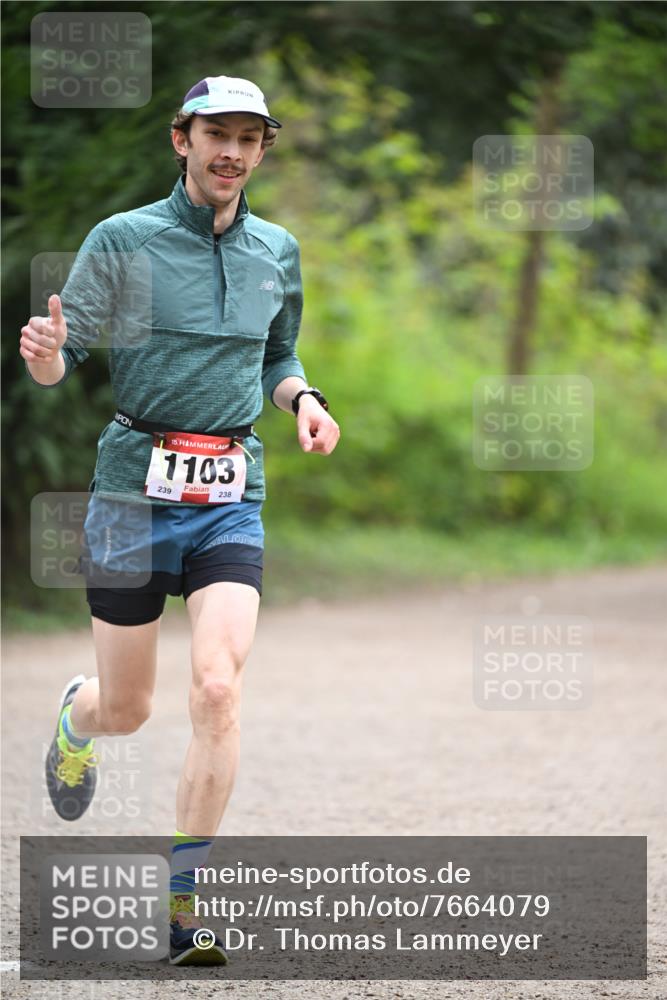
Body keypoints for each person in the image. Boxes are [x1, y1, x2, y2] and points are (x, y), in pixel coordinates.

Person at [20, 75, 340, 965]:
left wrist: (304, 398)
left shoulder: (277, 247)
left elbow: (278, 354)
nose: (231, 151)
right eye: (216, 135)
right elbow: (65, 352)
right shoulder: (124, 239)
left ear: (264, 149)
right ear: (181, 140)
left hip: (229, 493)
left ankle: (184, 908)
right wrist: (47, 355)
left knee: (216, 688)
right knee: (127, 707)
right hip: (132, 491)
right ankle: (75, 726)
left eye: (249, 137)